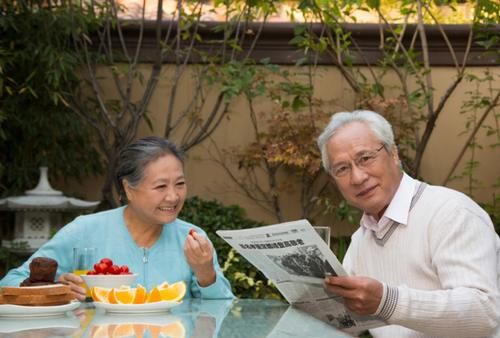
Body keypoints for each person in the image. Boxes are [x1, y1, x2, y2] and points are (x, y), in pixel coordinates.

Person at [317, 110, 499, 337]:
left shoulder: (450, 212)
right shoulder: (360, 241)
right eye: (342, 169)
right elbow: (343, 323)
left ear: (393, 153)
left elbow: (484, 313)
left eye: (365, 158)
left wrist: (387, 301)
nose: (358, 177)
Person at [0, 136, 234, 300]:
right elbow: (10, 283)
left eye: (180, 184)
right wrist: (56, 288)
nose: (173, 196)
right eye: (161, 186)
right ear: (128, 189)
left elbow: (225, 312)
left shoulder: (193, 239)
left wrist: (205, 273)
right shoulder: (84, 231)